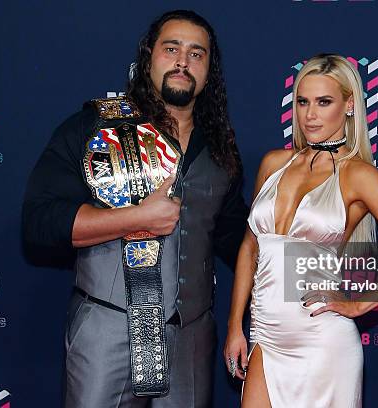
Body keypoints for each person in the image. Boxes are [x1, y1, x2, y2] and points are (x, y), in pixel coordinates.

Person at [22, 10, 248, 408]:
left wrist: (332, 275)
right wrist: (137, 218)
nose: (182, 61)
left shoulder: (219, 150)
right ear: (148, 59)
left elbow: (239, 240)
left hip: (189, 338)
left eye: (197, 54)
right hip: (108, 332)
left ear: (210, 71)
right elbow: (40, 223)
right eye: (171, 48)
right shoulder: (97, 127)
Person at [223, 54, 378, 407]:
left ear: (349, 105)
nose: (310, 115)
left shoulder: (358, 175)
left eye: (324, 102)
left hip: (321, 339)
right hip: (265, 337)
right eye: (303, 102)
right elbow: (249, 248)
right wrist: (234, 327)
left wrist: (358, 304)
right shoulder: (274, 163)